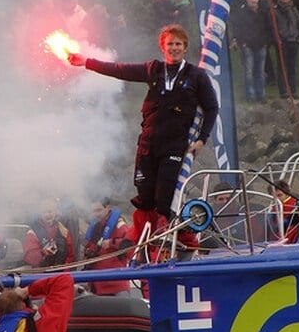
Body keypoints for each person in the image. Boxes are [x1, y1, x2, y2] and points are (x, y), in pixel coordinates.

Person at [68, 24, 219, 241]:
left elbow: (212, 108)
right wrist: (87, 62)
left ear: (185, 47)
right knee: (144, 196)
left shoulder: (196, 76)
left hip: (174, 145)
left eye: (178, 44)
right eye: (170, 44)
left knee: (164, 197)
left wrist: (202, 139)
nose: (174, 48)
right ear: (162, 47)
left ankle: (174, 239)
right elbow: (121, 70)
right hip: (148, 143)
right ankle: (144, 241)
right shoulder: (153, 69)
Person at [82, 197, 131, 295]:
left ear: (107, 208)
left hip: (115, 283)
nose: (96, 214)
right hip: (97, 283)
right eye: (94, 211)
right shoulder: (95, 226)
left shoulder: (119, 225)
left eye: (99, 210)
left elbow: (130, 243)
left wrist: (111, 242)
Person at [24, 198, 75, 267]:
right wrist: (43, 253)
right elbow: (29, 257)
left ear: (55, 212)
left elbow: (70, 254)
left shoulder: (63, 230)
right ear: (40, 214)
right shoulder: (33, 232)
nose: (47, 215)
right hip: (41, 273)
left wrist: (65, 268)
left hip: (61, 271)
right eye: (44, 212)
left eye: (50, 211)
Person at [273, 0, 299, 97]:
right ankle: (283, 91)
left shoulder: (294, 9)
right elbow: (273, 27)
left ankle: (293, 90)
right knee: (282, 67)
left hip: (294, 41)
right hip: (282, 42)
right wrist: (278, 39)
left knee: (292, 67)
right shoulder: (275, 10)